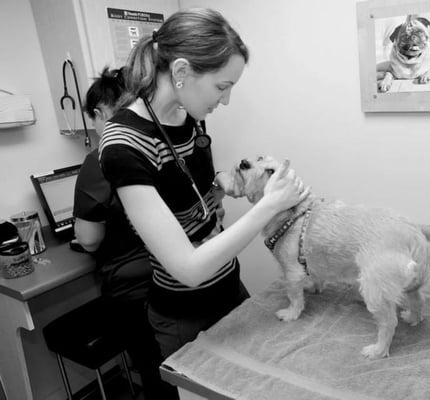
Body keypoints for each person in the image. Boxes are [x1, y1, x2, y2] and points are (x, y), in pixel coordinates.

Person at [99, 8, 309, 363]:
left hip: (230, 287)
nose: (225, 101)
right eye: (222, 87)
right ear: (181, 72)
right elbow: (188, 267)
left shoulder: (189, 115)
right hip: (184, 310)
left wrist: (221, 187)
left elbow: (196, 206)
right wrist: (268, 206)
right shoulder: (123, 145)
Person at [73, 67, 173, 400]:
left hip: (134, 290)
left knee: (155, 372)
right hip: (171, 274)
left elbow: (89, 239)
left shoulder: (99, 159)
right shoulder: (159, 142)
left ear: (101, 113)